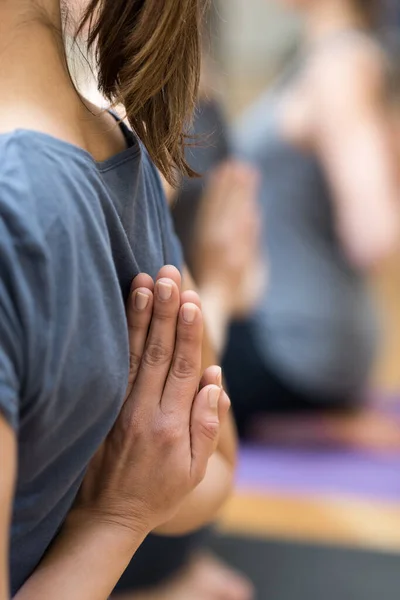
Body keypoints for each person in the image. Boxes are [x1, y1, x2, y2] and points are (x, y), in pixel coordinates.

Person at [0, 1, 239, 598]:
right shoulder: (119, 153)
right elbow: (216, 465)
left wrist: (116, 519)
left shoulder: (18, 199)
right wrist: (119, 515)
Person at [222, 0, 400, 439]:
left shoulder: (341, 66)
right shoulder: (324, 59)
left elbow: (373, 231)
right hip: (319, 339)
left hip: (294, 347)